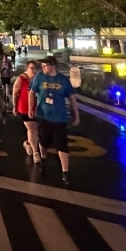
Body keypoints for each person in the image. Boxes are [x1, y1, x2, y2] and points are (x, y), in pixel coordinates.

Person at [29, 56, 80, 187]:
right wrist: (31, 108)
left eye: (45, 65)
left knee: (62, 145)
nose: (43, 67)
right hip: (43, 116)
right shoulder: (39, 77)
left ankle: (65, 172)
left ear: (52, 66)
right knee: (43, 141)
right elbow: (32, 92)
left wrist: (76, 115)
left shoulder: (63, 80)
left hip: (59, 118)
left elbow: (72, 98)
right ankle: (43, 159)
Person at [12, 60, 40, 163]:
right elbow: (15, 93)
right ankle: (36, 152)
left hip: (38, 108)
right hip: (24, 108)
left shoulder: (38, 79)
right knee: (32, 129)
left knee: (36, 130)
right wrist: (14, 106)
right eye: (31, 68)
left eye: (34, 68)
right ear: (26, 69)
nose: (33, 70)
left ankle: (28, 143)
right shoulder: (21, 79)